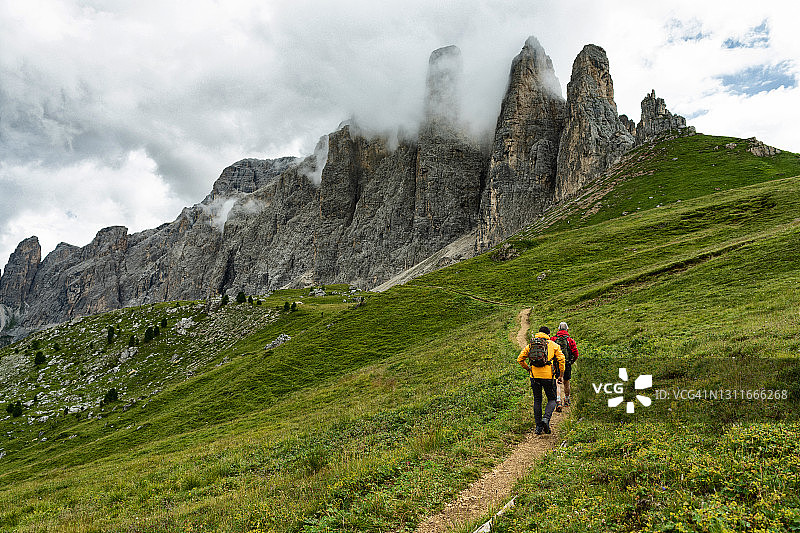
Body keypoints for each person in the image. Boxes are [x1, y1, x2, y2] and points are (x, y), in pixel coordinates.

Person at [517, 326, 565, 435]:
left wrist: (528, 369)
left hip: (534, 376)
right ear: (548, 334)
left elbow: (520, 359)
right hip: (549, 377)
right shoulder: (553, 345)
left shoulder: (531, 345)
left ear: (539, 333)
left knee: (537, 400)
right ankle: (546, 419)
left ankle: (538, 427)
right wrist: (561, 375)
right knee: (552, 399)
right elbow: (562, 360)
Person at [551, 321, 579, 407]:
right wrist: (572, 361)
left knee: (557, 381)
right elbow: (576, 353)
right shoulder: (570, 340)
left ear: (558, 329)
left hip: (556, 363)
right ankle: (566, 400)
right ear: (567, 329)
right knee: (566, 381)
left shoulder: (553, 339)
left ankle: (558, 400)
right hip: (567, 363)